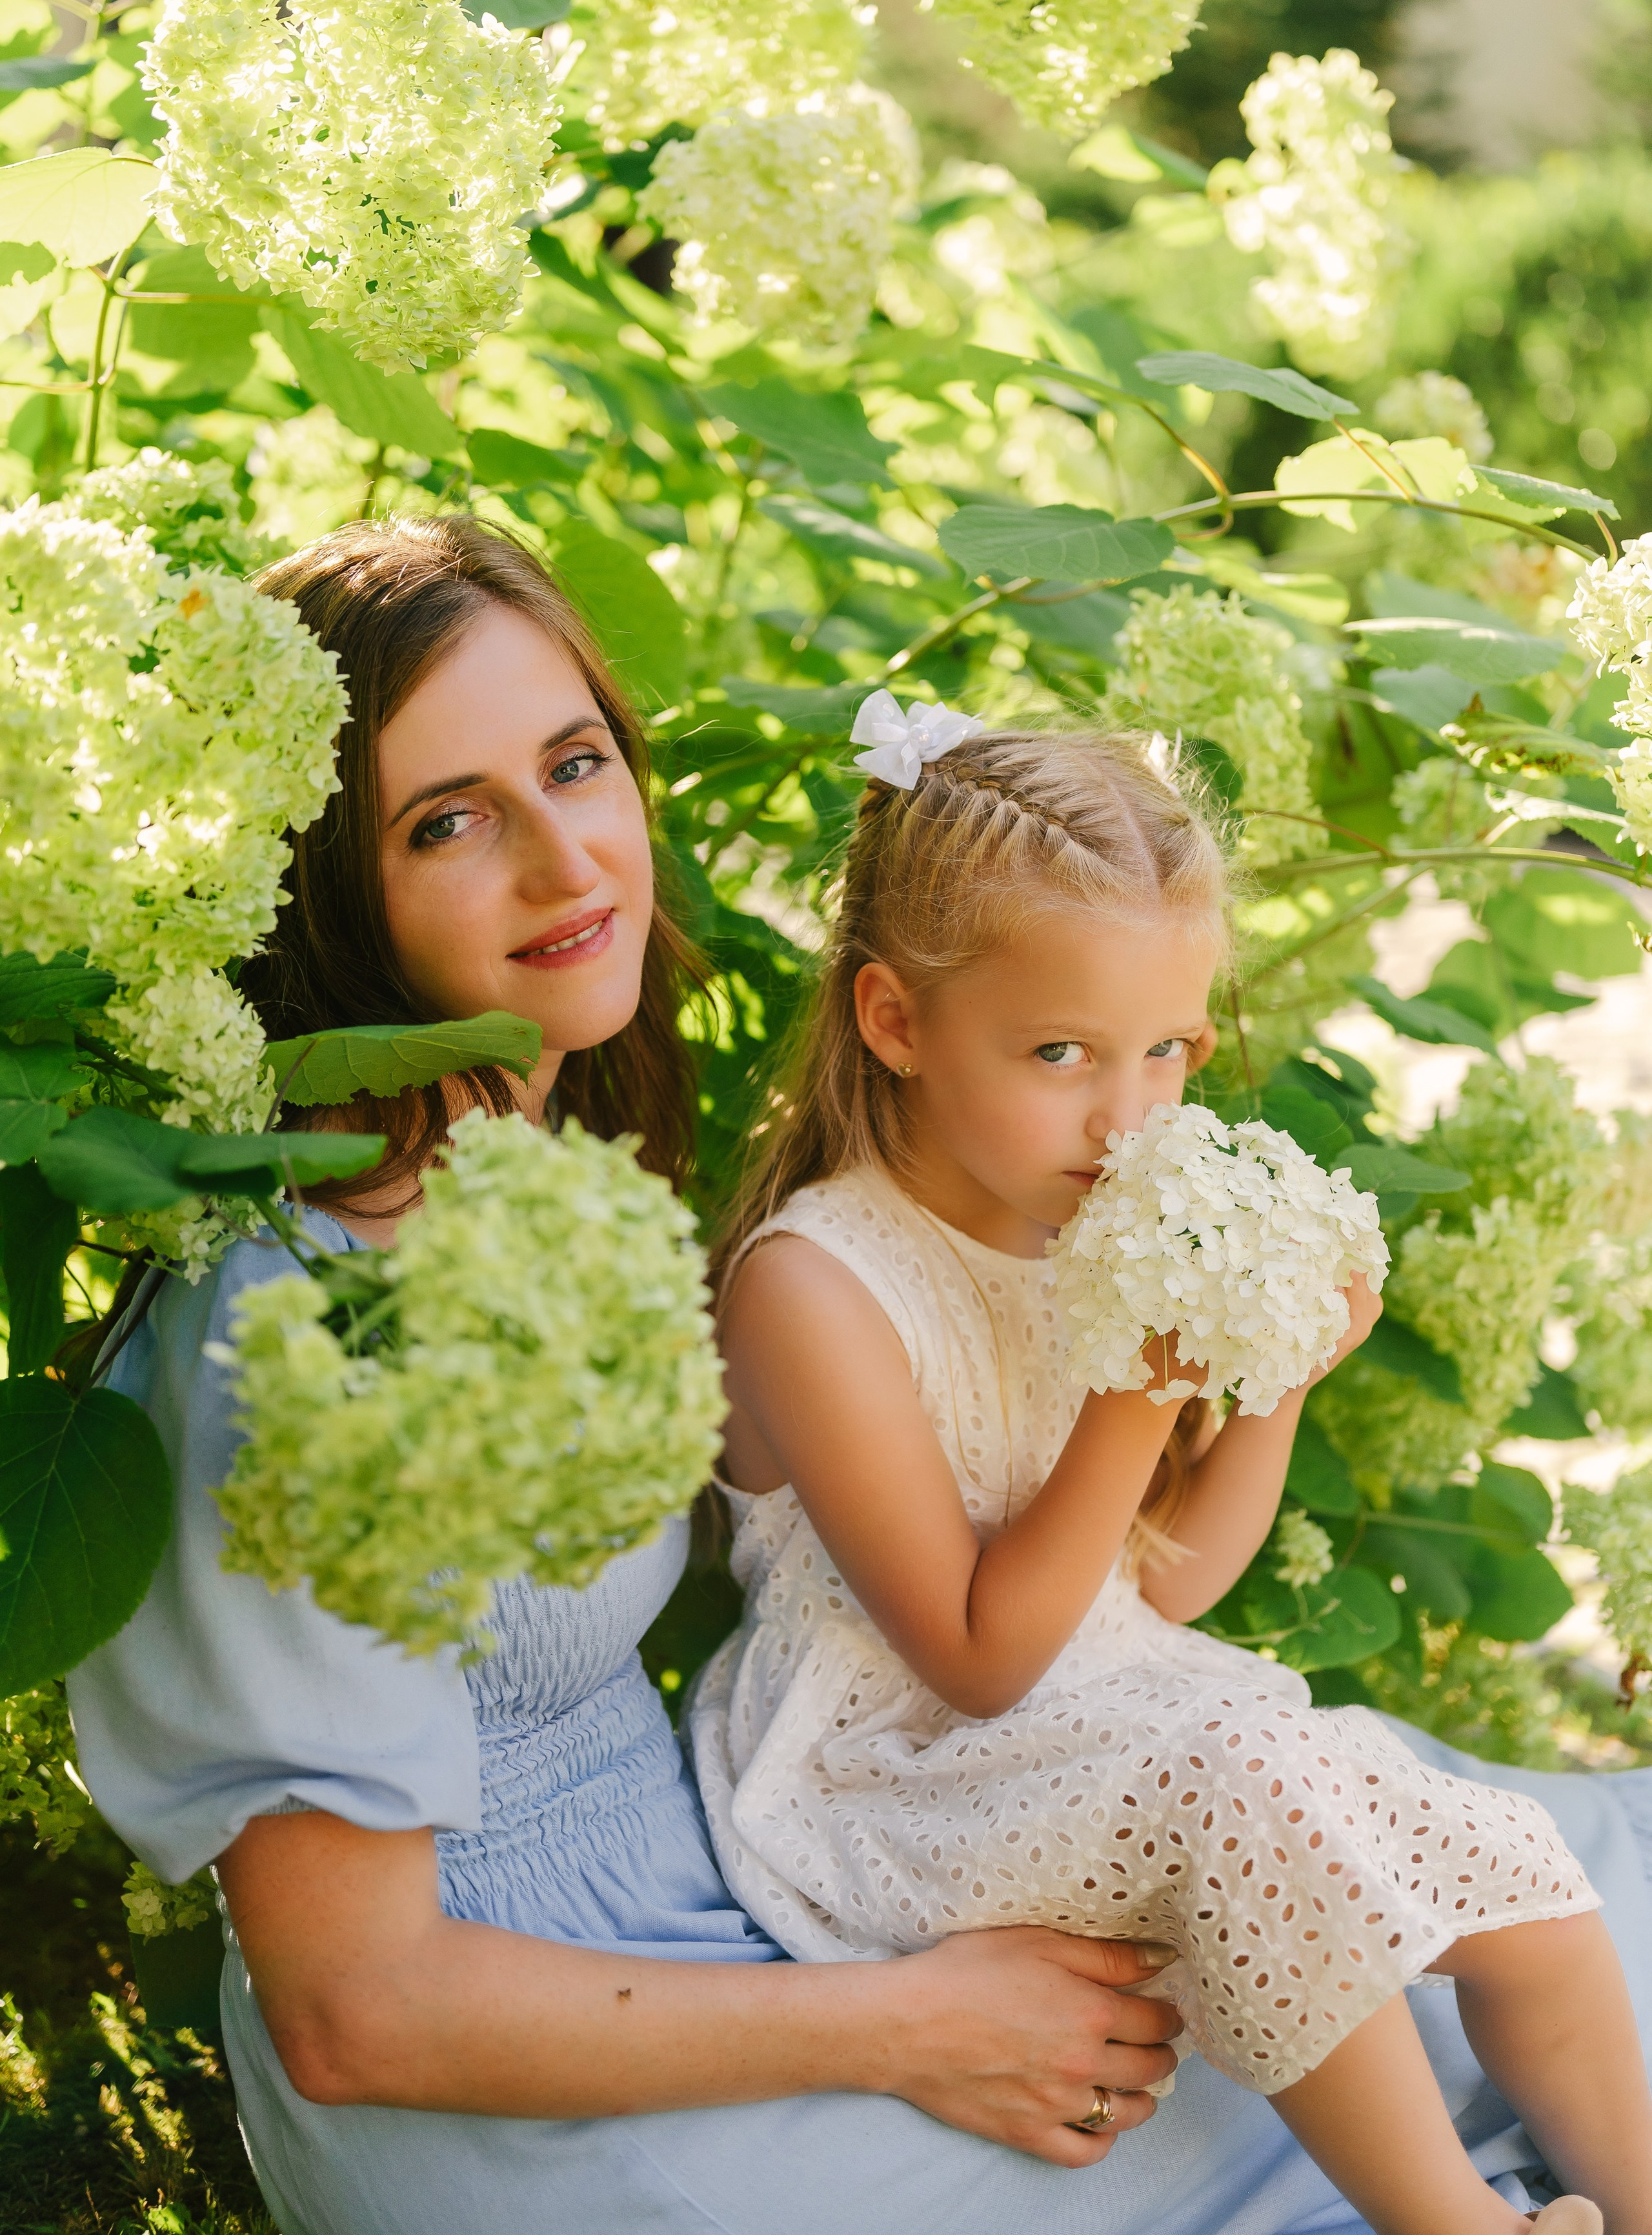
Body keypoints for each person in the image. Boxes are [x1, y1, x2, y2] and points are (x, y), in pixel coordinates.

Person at [63, 518, 1652, 2235]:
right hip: (526, 2096)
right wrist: (919, 2023)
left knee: (1468, 1911)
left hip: (712, 1912)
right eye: (446, 820)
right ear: (320, 880)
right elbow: (354, 2013)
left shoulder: (530, 1182)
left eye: (577, 766)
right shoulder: (285, 1326)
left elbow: (1119, 1589)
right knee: (1305, 2057)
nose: (563, 860)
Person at [693, 709, 1652, 2235]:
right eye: (1059, 1051)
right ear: (891, 1019)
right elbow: (983, 1655)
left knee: (1505, 1860)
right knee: (1248, 1791)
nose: (1126, 1112)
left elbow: (1166, 1582)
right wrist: (1138, 1394)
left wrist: (1266, 1382)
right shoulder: (813, 1288)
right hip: (903, 1775)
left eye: (1167, 1052)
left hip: (1111, 1709)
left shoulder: (1080, 1219)